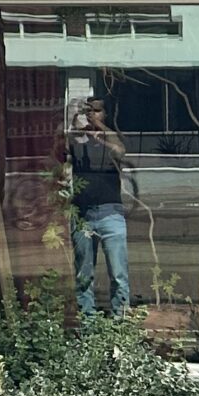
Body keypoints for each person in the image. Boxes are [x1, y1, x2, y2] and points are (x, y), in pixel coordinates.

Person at [65, 93, 132, 318]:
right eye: (89, 110)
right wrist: (74, 118)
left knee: (119, 272)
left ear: (105, 113)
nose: (92, 114)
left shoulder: (109, 138)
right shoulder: (77, 139)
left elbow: (120, 151)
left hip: (110, 211)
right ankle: (88, 324)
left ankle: (120, 322)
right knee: (84, 274)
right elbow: (61, 148)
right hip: (83, 213)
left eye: (97, 110)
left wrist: (100, 128)